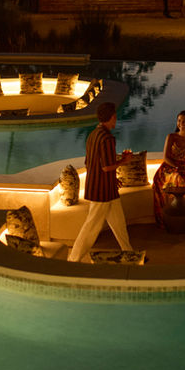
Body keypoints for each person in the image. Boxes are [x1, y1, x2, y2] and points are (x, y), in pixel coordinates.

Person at [67, 101, 134, 263]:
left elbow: (90, 163)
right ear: (112, 117)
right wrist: (124, 161)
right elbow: (106, 167)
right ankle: (73, 259)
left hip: (103, 187)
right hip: (102, 191)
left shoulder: (93, 135)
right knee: (91, 226)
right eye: (115, 116)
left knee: (119, 223)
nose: (115, 119)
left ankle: (129, 253)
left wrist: (113, 179)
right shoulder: (107, 138)